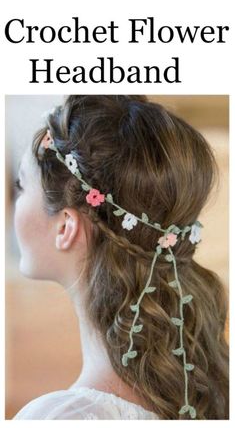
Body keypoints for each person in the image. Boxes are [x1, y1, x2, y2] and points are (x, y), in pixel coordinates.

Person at [12, 95, 229, 419]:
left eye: (21, 186)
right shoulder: (206, 389)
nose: (15, 204)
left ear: (66, 227)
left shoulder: (60, 417)